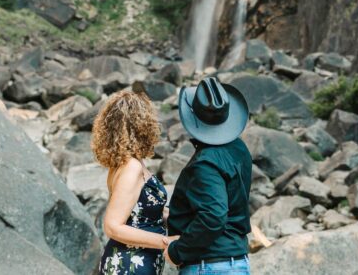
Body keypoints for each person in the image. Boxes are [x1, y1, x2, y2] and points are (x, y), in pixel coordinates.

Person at [165, 77, 253, 274]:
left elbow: (213, 216)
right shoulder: (239, 149)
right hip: (236, 261)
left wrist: (177, 251)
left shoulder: (205, 163)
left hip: (209, 266)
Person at [92, 90, 177, 275]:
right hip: (129, 263)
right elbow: (113, 226)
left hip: (133, 260)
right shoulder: (131, 167)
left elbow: (141, 211)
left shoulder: (125, 164)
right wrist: (167, 241)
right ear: (142, 125)